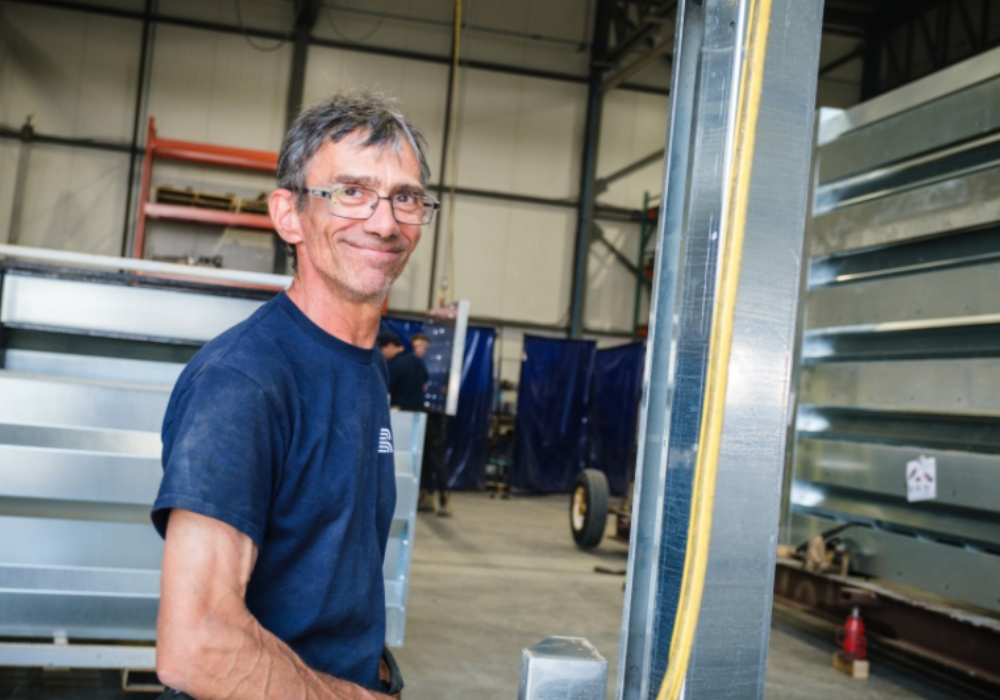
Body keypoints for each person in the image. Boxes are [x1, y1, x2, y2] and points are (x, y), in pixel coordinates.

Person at [151, 89, 438, 700]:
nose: (384, 223)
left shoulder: (364, 367)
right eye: (351, 192)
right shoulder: (244, 381)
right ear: (289, 215)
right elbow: (195, 644)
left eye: (406, 198)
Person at [377, 330, 427, 411]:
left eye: (381, 349)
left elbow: (385, 389)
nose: (381, 354)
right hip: (418, 413)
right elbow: (425, 386)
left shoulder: (394, 364)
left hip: (398, 411)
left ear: (390, 345)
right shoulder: (417, 361)